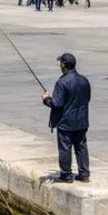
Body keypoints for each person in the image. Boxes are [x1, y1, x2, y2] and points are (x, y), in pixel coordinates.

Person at [42, 53, 91, 183]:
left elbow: (56, 104)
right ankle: (84, 174)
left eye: (61, 63)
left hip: (66, 123)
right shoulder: (84, 80)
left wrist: (46, 99)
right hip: (82, 121)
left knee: (65, 148)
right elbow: (87, 98)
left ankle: (66, 175)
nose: (60, 66)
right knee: (81, 147)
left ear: (64, 65)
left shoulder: (62, 82)